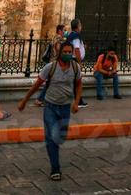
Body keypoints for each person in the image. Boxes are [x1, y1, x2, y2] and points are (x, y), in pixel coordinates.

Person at [18, 37, 83, 182]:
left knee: (60, 136)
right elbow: (36, 85)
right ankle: (55, 168)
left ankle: (55, 146)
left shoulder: (75, 67)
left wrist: (76, 102)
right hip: (50, 106)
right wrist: (24, 100)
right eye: (65, 51)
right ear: (59, 52)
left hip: (65, 106)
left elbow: (79, 85)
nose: (67, 53)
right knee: (51, 138)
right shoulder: (50, 67)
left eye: (69, 51)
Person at [36, 24, 67, 107]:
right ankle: (40, 99)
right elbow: (57, 48)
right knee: (50, 82)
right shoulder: (58, 38)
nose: (65, 32)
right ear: (60, 31)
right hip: (55, 62)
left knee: (51, 81)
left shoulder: (54, 37)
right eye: (64, 30)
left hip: (52, 61)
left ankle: (44, 99)